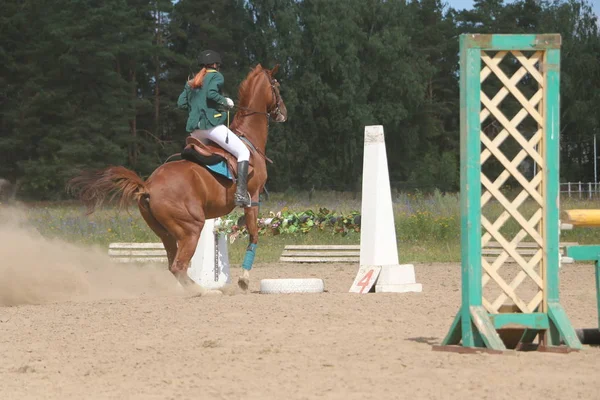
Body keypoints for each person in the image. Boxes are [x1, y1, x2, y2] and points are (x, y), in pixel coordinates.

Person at [177, 50, 251, 208]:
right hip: (211, 126)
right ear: (216, 65)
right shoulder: (216, 76)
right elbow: (211, 94)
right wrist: (225, 102)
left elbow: (181, 103)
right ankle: (241, 194)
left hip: (194, 131)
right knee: (244, 152)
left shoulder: (191, 81)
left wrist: (196, 107)